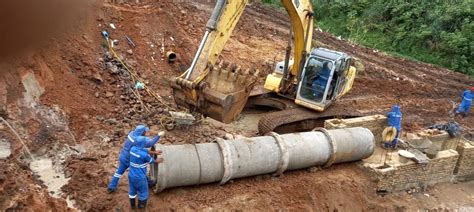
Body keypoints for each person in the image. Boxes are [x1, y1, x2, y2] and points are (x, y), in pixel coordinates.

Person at [107, 125, 164, 193]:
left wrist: (153, 152)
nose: (146, 132)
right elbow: (149, 144)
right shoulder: (137, 140)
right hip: (131, 158)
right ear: (142, 132)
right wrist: (158, 135)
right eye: (145, 131)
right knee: (140, 170)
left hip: (123, 155)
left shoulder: (131, 133)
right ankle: (148, 183)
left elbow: (141, 148)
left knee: (119, 172)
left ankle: (111, 187)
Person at [128, 136, 164, 209]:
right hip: (140, 178)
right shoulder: (144, 155)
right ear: (143, 143)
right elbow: (153, 161)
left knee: (132, 190)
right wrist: (159, 160)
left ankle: (133, 207)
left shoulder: (132, 149)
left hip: (131, 175)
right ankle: (141, 208)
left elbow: (143, 149)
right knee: (144, 193)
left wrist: (154, 152)